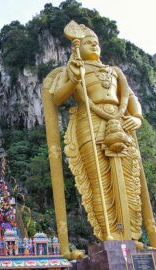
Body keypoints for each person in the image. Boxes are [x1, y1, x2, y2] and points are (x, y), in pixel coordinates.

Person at [44, 23, 144, 242]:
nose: (95, 46)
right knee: (99, 181)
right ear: (78, 47)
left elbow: (131, 98)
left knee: (129, 180)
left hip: (120, 123)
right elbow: (57, 98)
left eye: (97, 43)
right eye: (89, 43)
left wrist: (136, 117)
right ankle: (107, 233)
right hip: (89, 124)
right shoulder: (73, 69)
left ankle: (131, 235)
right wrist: (74, 79)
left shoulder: (114, 71)